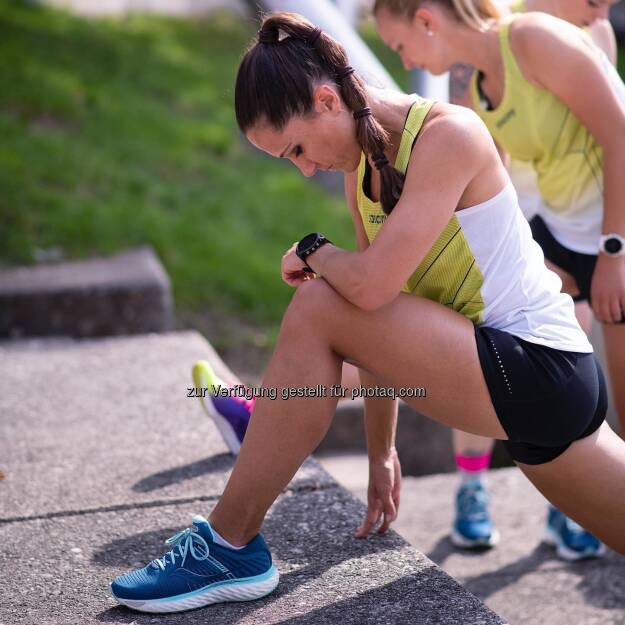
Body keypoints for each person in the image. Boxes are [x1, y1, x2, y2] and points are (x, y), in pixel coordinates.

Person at [110, 12, 625, 614]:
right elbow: (380, 319)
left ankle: (229, 542)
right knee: (329, 301)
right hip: (519, 394)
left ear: (328, 99)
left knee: (319, 302)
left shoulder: (448, 136)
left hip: (539, 370)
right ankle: (241, 504)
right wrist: (381, 453)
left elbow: (372, 288)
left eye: (297, 147)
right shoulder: (364, 175)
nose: (303, 167)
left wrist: (313, 250)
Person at [440, 0, 622, 557]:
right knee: (482, 342)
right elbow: (469, 154)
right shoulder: (479, 39)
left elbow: (611, 137)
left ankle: (568, 507)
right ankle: (471, 488)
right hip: (520, 224)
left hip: (585, 229)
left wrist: (610, 248)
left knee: (571, 358)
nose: (606, 6)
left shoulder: (595, 33)